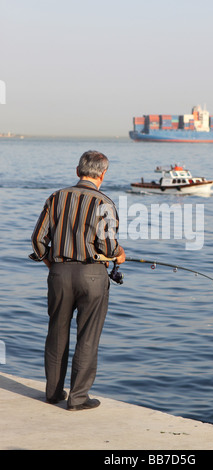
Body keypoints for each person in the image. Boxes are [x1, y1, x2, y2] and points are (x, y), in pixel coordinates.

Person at [31, 150, 125, 411]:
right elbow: (108, 245)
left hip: (59, 274)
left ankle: (52, 393)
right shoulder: (105, 202)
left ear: (77, 171)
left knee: (56, 334)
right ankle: (78, 398)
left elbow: (38, 241)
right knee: (88, 337)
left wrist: (53, 263)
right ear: (103, 174)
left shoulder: (56, 197)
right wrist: (120, 254)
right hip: (92, 275)